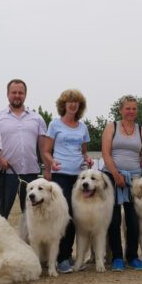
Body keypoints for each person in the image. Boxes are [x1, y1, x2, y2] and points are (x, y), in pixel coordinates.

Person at [101, 95, 142, 272]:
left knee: (134, 220)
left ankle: (133, 256)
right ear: (121, 110)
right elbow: (105, 153)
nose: (131, 112)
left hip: (135, 179)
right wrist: (116, 174)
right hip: (112, 176)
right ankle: (117, 257)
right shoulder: (112, 126)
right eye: (128, 108)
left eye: (134, 108)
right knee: (114, 220)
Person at [42, 89, 93, 274]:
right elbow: (46, 150)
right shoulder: (54, 124)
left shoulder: (83, 127)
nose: (72, 104)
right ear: (63, 105)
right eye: (69, 101)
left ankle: (67, 255)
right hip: (61, 173)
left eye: (76, 102)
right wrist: (51, 162)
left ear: (80, 106)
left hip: (79, 176)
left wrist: (88, 159)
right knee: (65, 214)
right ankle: (61, 258)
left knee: (76, 215)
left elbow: (84, 150)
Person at [0, 79, 47, 218]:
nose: (17, 95)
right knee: (0, 214)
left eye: (20, 93)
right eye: (14, 92)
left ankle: (30, 240)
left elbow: (43, 147)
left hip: (31, 174)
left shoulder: (37, 118)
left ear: (25, 95)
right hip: (6, 173)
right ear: (7, 94)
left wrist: (48, 168)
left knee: (33, 216)